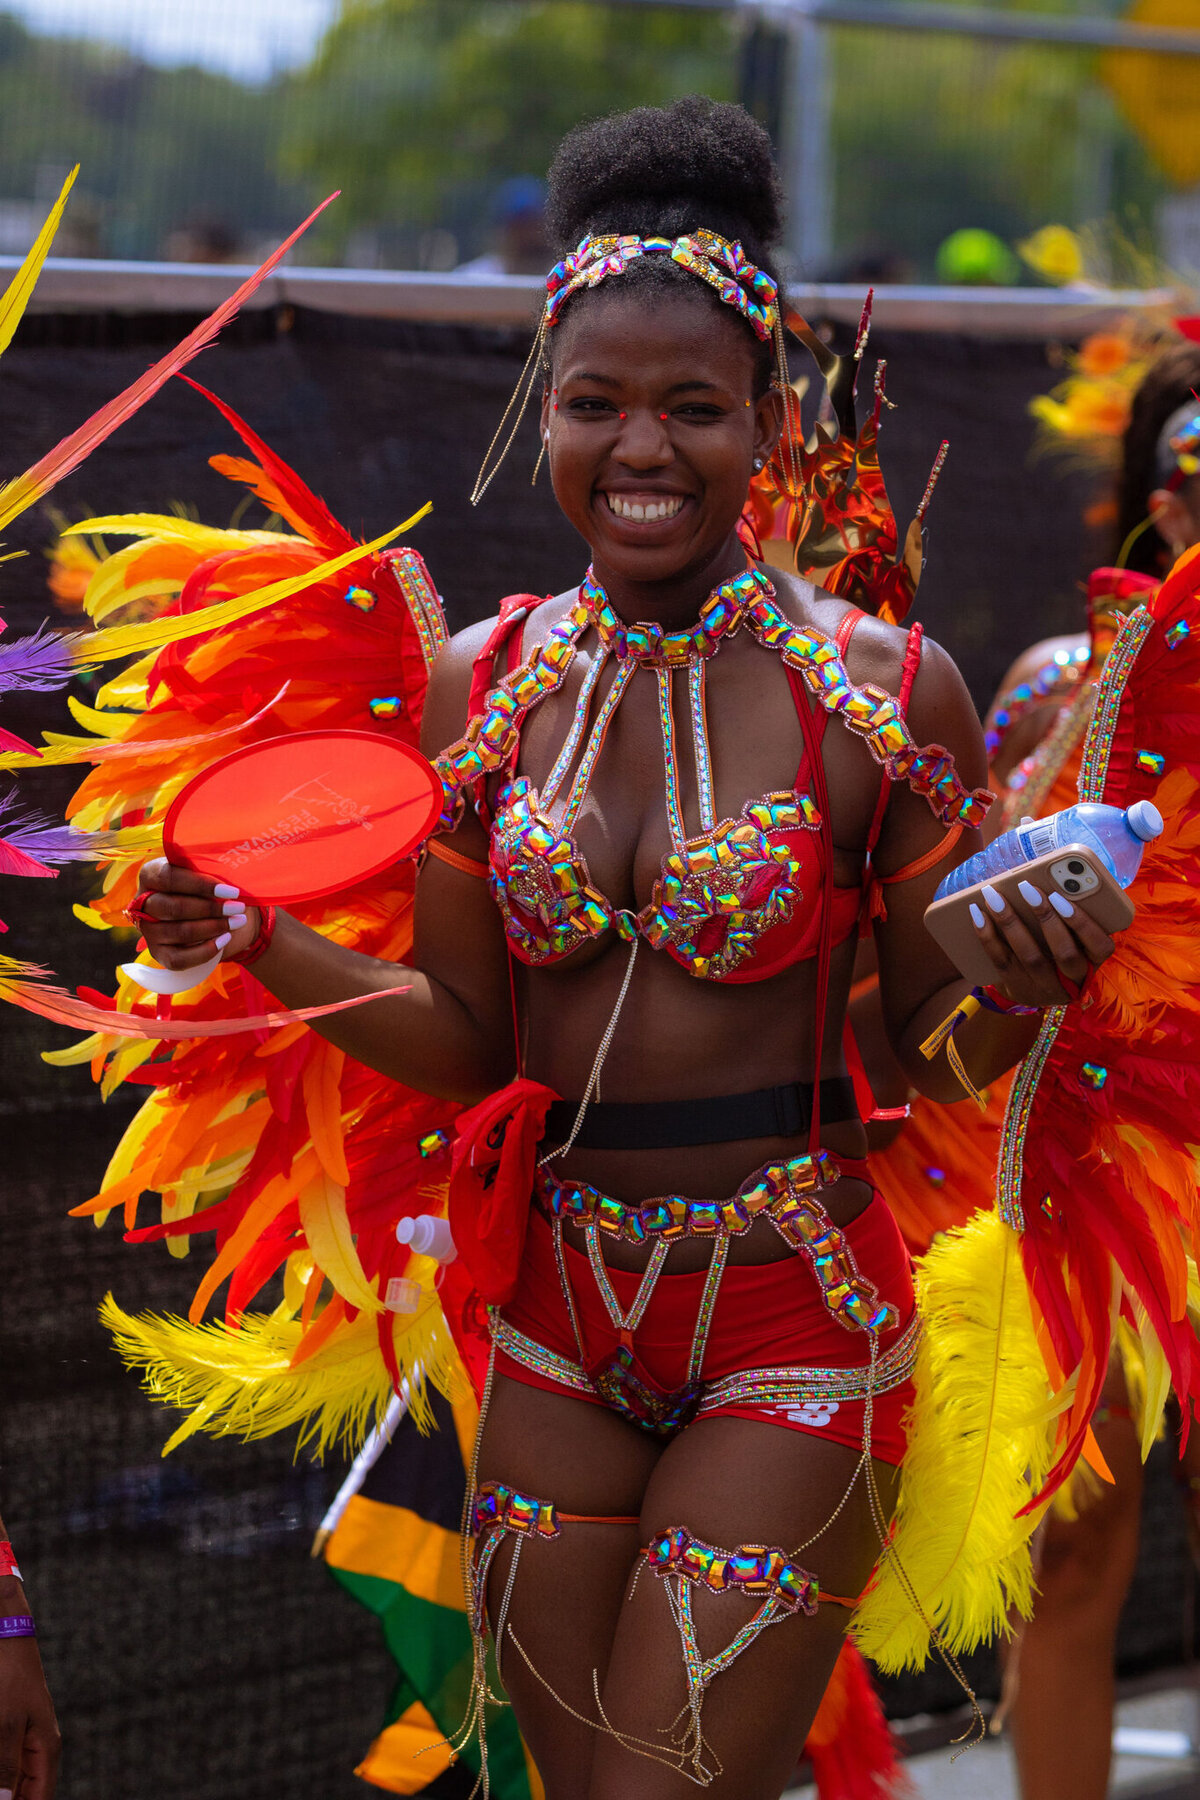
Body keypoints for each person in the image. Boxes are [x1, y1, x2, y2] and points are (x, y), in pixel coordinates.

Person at [124, 99, 1114, 1796]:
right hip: (556, 1321)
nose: (639, 447)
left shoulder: (882, 689)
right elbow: (462, 1032)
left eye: (691, 407)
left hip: (794, 1316)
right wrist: (259, 942)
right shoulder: (483, 691)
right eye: (596, 403)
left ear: (767, 424)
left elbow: (930, 1055)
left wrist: (1022, 983)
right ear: (543, 412)